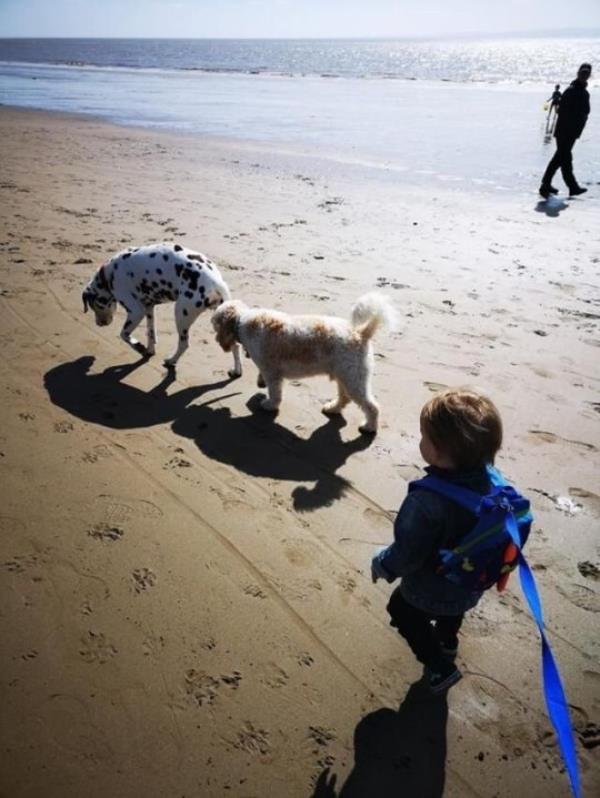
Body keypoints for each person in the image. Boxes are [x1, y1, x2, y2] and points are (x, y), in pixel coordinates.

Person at [371, 388, 503, 694]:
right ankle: (447, 643)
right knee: (451, 613)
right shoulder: (493, 483)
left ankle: (440, 668)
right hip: (471, 582)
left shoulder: (426, 501)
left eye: (424, 437)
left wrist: (383, 564)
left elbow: (408, 553)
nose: (420, 442)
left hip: (428, 587)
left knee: (402, 612)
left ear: (439, 452)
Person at [539, 63, 591, 198]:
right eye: (582, 72)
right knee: (561, 158)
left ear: (589, 75)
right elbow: (563, 111)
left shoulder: (582, 91)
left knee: (564, 158)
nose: (584, 75)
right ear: (578, 73)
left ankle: (571, 187)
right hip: (566, 132)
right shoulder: (572, 90)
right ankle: (547, 185)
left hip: (571, 132)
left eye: (587, 73)